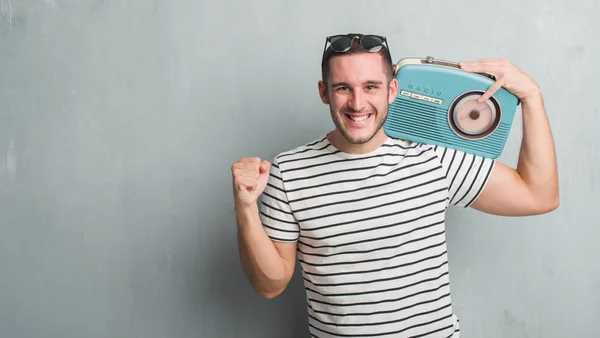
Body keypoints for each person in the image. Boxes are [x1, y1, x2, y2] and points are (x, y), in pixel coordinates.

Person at [231, 33, 559, 337]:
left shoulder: (434, 158)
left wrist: (532, 97)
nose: (358, 104)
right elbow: (270, 284)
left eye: (371, 86)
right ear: (323, 92)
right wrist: (246, 207)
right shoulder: (289, 172)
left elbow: (538, 195)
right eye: (343, 87)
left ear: (391, 90)